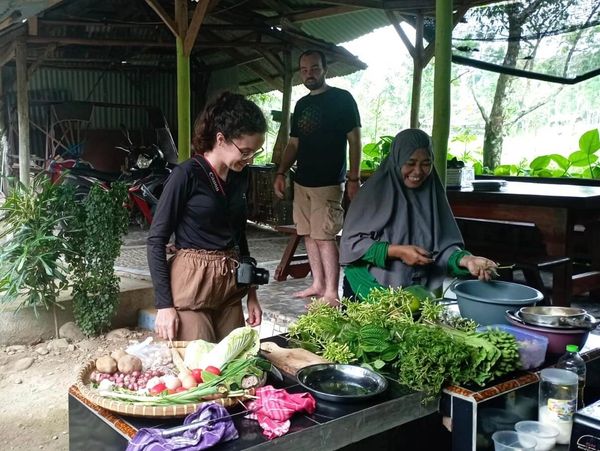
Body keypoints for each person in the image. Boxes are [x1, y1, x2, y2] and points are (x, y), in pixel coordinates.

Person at [147, 92, 266, 342]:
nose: (249, 159)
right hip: (191, 284)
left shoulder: (239, 176)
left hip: (229, 286)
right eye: (244, 151)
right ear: (220, 139)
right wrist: (164, 306)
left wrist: (252, 291)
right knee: (202, 369)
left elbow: (239, 235)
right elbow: (156, 240)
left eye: (255, 152)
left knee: (236, 365)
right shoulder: (186, 175)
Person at [339, 128, 497, 301]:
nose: (418, 171)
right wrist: (397, 251)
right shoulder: (371, 195)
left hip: (412, 296)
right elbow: (351, 246)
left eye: (426, 163)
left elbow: (442, 248)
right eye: (410, 162)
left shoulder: (432, 196)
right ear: (397, 160)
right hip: (366, 291)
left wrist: (467, 260)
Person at [273, 49, 362, 305]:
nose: (309, 74)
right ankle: (318, 284)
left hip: (329, 182)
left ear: (325, 69)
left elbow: (354, 140)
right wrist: (281, 172)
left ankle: (332, 293)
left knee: (325, 236)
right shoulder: (302, 105)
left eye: (314, 68)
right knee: (308, 235)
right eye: (304, 70)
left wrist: (353, 178)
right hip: (302, 181)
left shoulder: (342, 99)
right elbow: (293, 144)